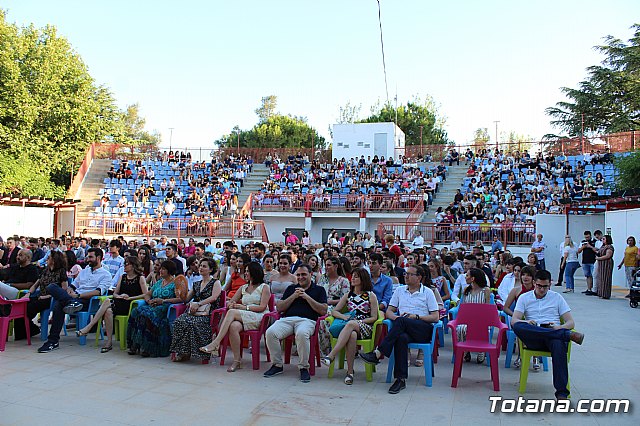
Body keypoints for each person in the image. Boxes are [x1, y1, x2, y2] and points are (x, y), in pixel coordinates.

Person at [359, 264, 439, 394]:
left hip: (422, 329)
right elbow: (389, 311)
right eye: (405, 273)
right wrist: (398, 320)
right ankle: (400, 380)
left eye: (410, 274)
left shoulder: (427, 292)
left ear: (419, 278)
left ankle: (378, 353)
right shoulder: (400, 290)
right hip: (403, 328)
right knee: (401, 338)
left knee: (402, 321)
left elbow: (435, 317)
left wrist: (416, 317)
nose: (406, 276)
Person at [511, 269, 585, 399]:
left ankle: (562, 394)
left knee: (558, 345)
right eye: (539, 286)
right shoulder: (524, 297)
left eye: (545, 286)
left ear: (549, 284)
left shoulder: (557, 298)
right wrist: (527, 321)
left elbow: (570, 322)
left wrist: (559, 327)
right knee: (518, 326)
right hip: (533, 336)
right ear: (534, 283)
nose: (542, 289)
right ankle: (565, 335)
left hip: (553, 334)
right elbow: (514, 320)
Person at [37, 248, 112, 353]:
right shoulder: (84, 271)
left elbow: (98, 292)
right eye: (87, 256)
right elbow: (72, 285)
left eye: (90, 257)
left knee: (59, 304)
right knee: (52, 287)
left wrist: (79, 295)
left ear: (98, 258)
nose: (87, 259)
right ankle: (70, 304)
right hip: (74, 299)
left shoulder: (105, 274)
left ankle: (53, 341)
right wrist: (70, 292)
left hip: (88, 302)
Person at [198, 262, 270, 371]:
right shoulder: (243, 287)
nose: (245, 273)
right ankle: (237, 361)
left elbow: (262, 307)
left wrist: (243, 307)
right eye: (245, 271)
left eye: (247, 271)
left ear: (254, 273)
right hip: (244, 316)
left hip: (259, 316)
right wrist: (231, 304)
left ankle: (216, 343)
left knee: (231, 312)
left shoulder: (264, 287)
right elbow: (230, 302)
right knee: (233, 326)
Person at [263, 264, 328, 383]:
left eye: (304, 274)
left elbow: (323, 310)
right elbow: (280, 308)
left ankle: (303, 367)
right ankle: (277, 365)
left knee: (302, 333)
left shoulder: (319, 290)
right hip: (287, 320)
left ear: (311, 275)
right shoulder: (291, 289)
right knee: (270, 332)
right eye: (298, 275)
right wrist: (294, 296)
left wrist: (306, 297)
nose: (300, 277)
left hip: (307, 320)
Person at [76, 256, 148, 353]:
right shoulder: (122, 277)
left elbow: (145, 294)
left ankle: (88, 327)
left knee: (106, 302)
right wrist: (119, 296)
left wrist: (130, 298)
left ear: (133, 265)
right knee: (108, 311)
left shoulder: (140, 278)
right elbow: (114, 293)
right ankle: (109, 342)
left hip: (131, 304)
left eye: (127, 264)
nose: (124, 266)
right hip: (119, 301)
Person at [320, 268, 379, 385]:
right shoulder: (348, 295)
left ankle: (331, 355)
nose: (353, 279)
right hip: (350, 326)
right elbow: (334, 311)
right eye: (352, 276)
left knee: (352, 324)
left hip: (366, 326)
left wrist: (359, 321)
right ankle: (350, 372)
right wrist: (344, 317)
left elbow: (374, 317)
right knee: (351, 335)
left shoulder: (370, 295)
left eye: (356, 277)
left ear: (363, 279)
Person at [127, 260, 187, 357]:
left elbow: (180, 299)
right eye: (161, 269)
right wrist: (148, 301)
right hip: (153, 305)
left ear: (169, 270)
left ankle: (148, 347)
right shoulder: (159, 282)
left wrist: (163, 301)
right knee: (135, 312)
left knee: (146, 315)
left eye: (163, 269)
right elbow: (147, 294)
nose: (161, 271)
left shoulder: (175, 283)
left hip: (165, 307)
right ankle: (135, 343)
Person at [170, 258, 223, 363]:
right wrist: (180, 292)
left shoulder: (215, 282)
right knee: (179, 321)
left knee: (192, 323)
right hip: (194, 312)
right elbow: (186, 299)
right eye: (200, 266)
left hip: (208, 314)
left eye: (204, 266)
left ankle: (196, 353)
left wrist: (199, 303)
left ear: (211, 269)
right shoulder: (197, 284)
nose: (201, 268)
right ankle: (183, 352)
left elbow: (214, 297)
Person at [12, 251, 67, 340]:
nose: (46, 259)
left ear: (54, 260)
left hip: (51, 299)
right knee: (21, 305)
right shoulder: (45, 270)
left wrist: (47, 296)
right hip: (40, 296)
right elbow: (35, 285)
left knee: (30, 307)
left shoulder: (61, 271)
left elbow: (64, 290)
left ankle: (31, 330)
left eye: (48, 258)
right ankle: (27, 331)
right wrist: (28, 294)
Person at [456, 267, 492, 363]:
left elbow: (487, 308)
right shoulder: (466, 290)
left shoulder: (485, 291)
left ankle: (481, 351)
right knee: (461, 328)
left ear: (473, 278)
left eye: (467, 275)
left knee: (479, 328)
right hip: (468, 319)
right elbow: (463, 307)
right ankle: (466, 350)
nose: (465, 277)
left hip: (481, 320)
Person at [578, 231, 598, 296]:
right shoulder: (582, 242)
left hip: (592, 261)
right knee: (587, 275)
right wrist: (583, 247)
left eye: (588, 237)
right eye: (586, 237)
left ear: (590, 236)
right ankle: (589, 288)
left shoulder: (595, 242)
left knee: (593, 276)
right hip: (585, 261)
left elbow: (596, 250)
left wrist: (590, 246)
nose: (587, 238)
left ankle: (594, 289)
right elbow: (578, 251)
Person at [596, 235, 615, 299]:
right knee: (600, 278)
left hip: (607, 264)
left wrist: (599, 258)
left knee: (605, 278)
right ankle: (600, 293)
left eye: (604, 239)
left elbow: (608, 256)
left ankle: (605, 294)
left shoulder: (609, 247)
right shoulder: (603, 246)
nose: (602, 240)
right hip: (601, 264)